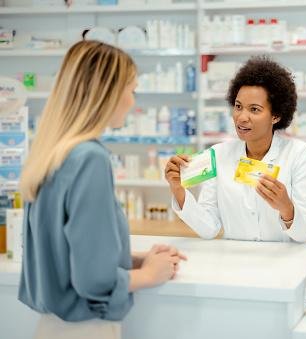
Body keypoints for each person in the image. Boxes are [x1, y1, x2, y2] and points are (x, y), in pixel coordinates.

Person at [18, 40, 186, 339]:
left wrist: (135, 259)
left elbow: (65, 255)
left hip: (51, 327)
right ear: (107, 92)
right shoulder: (90, 158)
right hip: (85, 329)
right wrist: (148, 274)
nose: (133, 102)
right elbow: (93, 281)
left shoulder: (52, 153)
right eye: (131, 91)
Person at [166, 56, 306, 242]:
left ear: (276, 115)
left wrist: (286, 208)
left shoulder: (298, 153)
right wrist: (179, 191)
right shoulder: (218, 154)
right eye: (238, 107)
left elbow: (305, 233)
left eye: (254, 109)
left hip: (282, 263)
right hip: (233, 263)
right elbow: (209, 228)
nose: (242, 117)